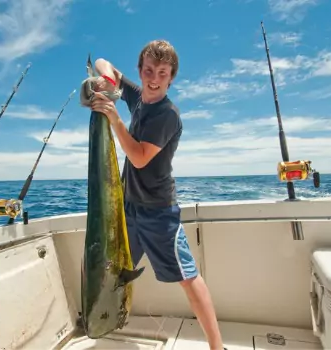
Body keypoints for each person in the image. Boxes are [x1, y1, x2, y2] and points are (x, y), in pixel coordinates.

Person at [86, 40, 226, 350]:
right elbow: (103, 61)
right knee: (112, 272)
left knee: (188, 278)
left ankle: (218, 347)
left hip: (158, 212)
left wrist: (113, 117)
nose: (154, 78)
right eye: (148, 70)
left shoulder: (167, 114)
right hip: (128, 210)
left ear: (171, 77)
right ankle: (106, 322)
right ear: (140, 70)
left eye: (162, 73)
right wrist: (106, 83)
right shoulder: (137, 97)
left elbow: (137, 157)